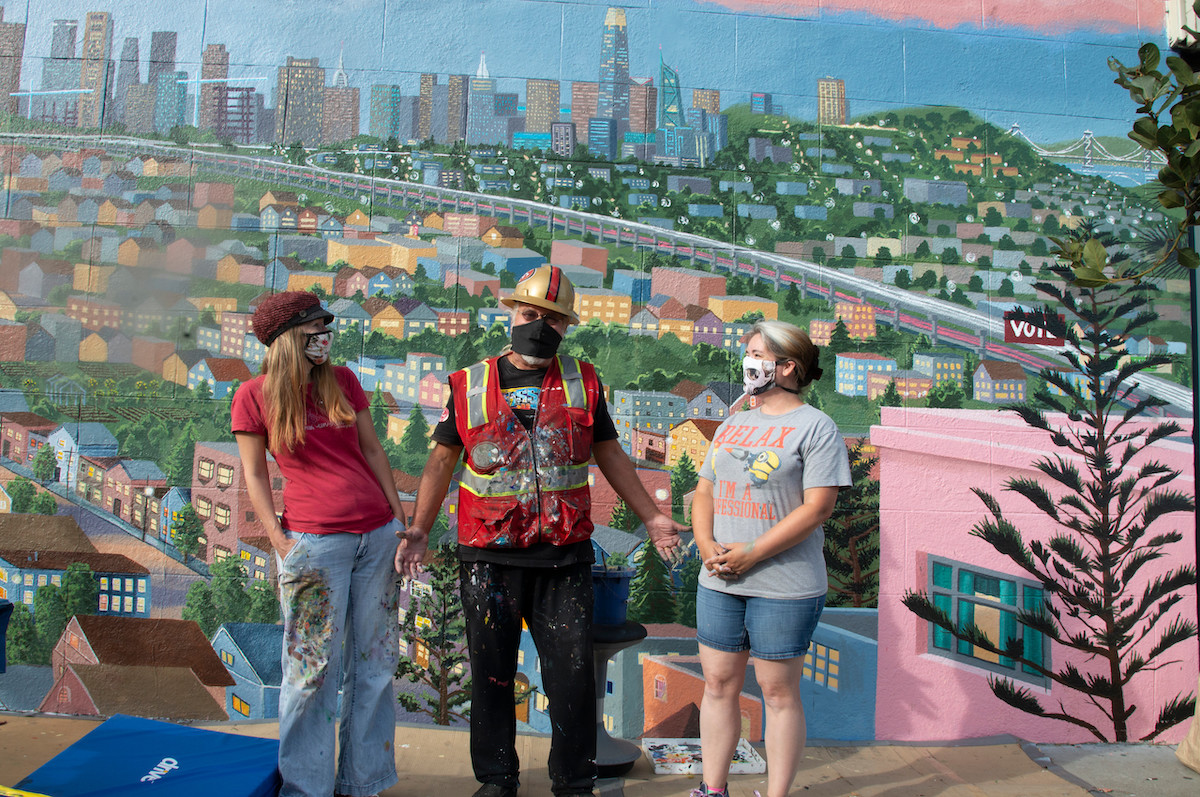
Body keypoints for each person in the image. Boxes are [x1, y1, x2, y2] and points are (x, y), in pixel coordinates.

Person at [395, 265, 688, 797]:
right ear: (511, 313)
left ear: (568, 326)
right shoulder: (469, 384)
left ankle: (574, 783)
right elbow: (441, 463)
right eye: (530, 314)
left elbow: (610, 454)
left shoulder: (585, 381)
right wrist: (419, 528)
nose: (540, 326)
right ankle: (497, 780)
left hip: (563, 557)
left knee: (572, 679)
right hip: (488, 558)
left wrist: (652, 516)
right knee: (491, 676)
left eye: (553, 319)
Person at [232, 291, 407, 797]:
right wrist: (278, 540)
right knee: (310, 673)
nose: (325, 335)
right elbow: (254, 474)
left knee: (375, 666)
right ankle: (306, 790)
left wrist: (398, 517)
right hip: (314, 544)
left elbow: (372, 449)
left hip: (375, 539)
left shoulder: (344, 382)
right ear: (287, 337)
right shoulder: (254, 395)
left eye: (326, 325)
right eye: (314, 327)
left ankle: (363, 783)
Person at [689, 320, 851, 797]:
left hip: (785, 586)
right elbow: (705, 490)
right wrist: (704, 544)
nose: (748, 362)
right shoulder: (735, 422)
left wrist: (753, 553)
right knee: (718, 684)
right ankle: (712, 789)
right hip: (719, 581)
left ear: (787, 366)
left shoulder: (816, 427)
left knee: (779, 694)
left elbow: (818, 507)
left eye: (757, 353)